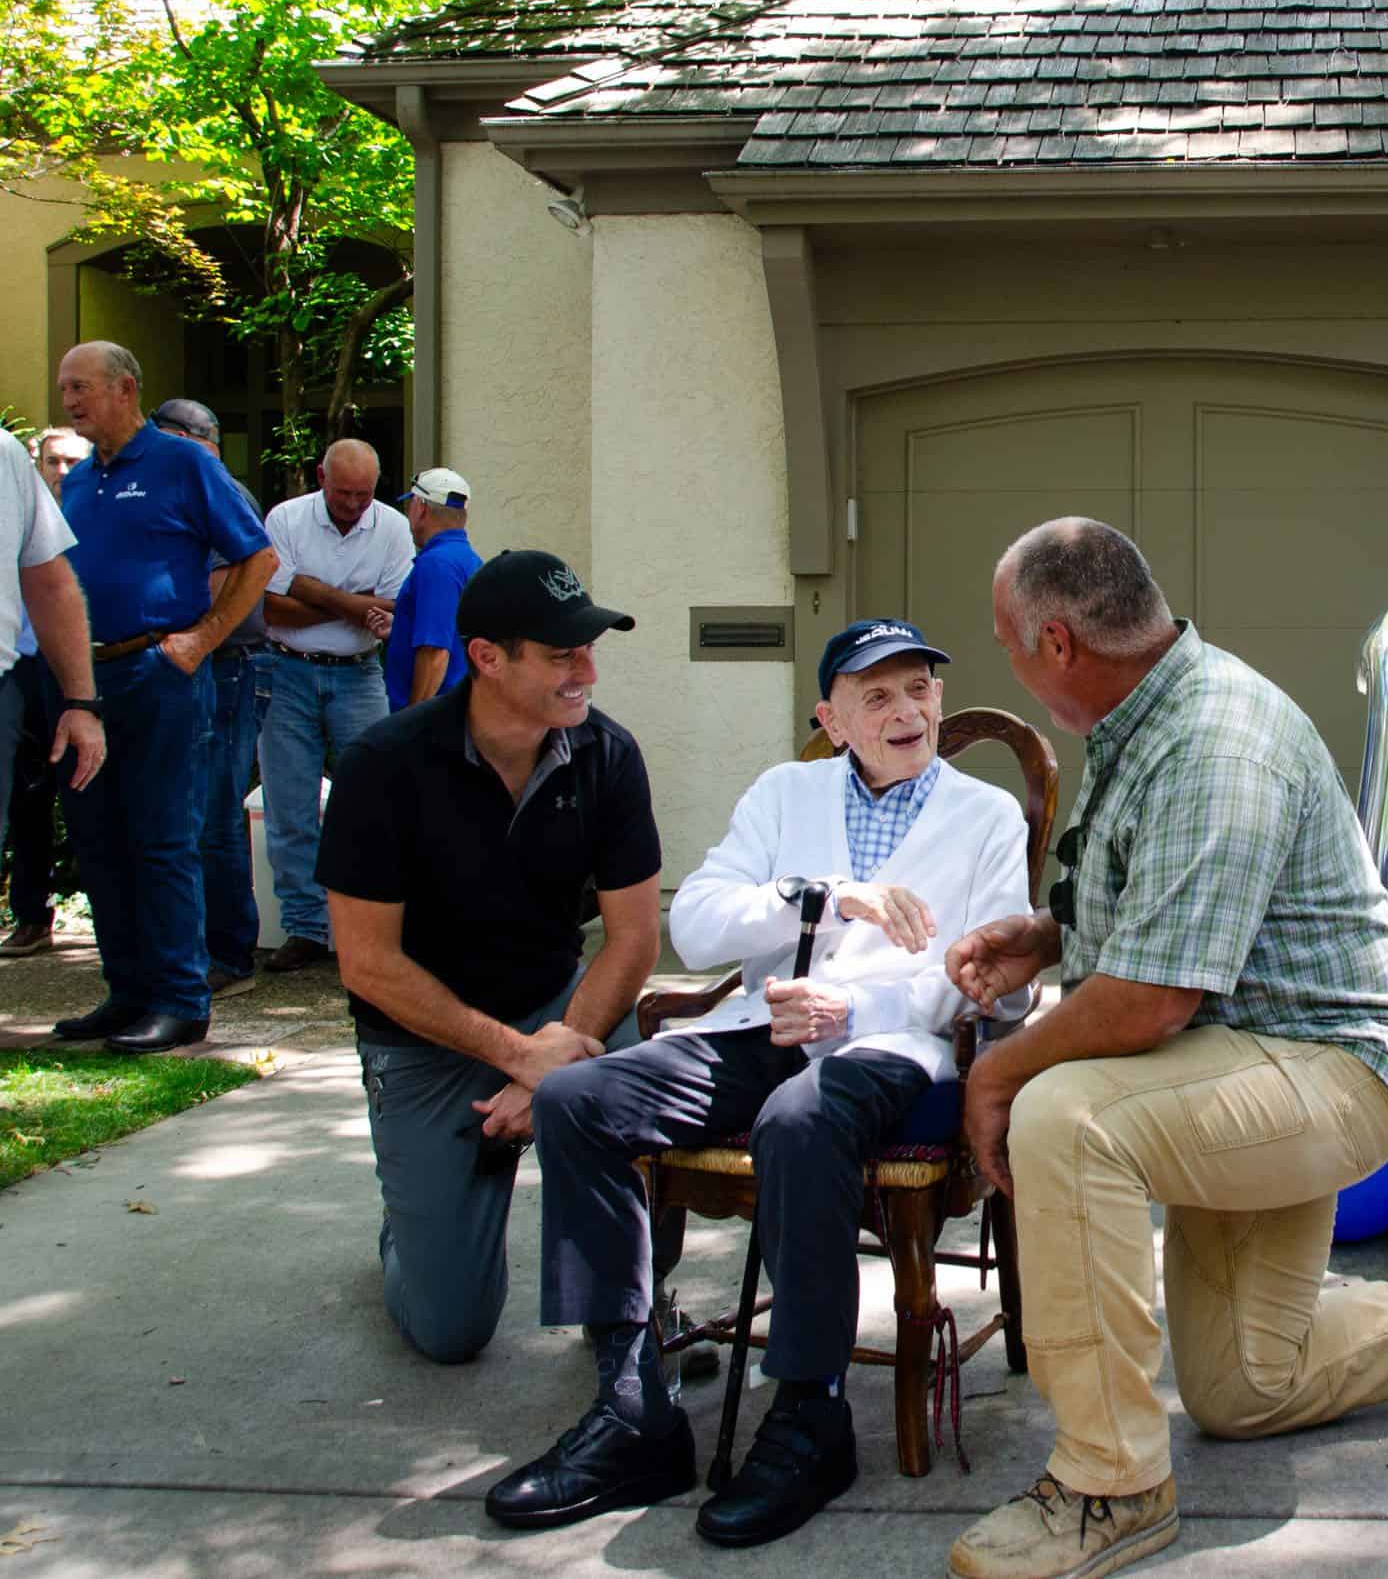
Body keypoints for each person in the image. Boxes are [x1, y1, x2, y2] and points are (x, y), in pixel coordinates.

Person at [939, 519, 1388, 1579]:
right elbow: (1167, 918)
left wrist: (997, 1071)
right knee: (1245, 1390)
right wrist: (1047, 935)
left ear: (1060, 643)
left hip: (1329, 1067)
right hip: (1242, 1059)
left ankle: (1107, 1483)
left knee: (1062, 1118)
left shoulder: (1215, 740)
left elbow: (1152, 1000)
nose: (1012, 668)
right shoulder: (1147, 717)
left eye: (1010, 646)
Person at [488, 617, 1036, 1546]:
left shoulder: (986, 816)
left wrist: (848, 1009)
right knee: (575, 1099)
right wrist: (818, 896)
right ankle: (632, 1406)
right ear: (832, 719)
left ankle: (812, 1412)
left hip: (893, 1046)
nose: (906, 711)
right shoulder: (786, 792)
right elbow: (697, 925)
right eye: (877, 696)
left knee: (798, 1118)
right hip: (760, 1029)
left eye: (919, 689)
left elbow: (985, 976)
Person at [316, 550, 660, 1366]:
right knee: (450, 1331)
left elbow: (634, 938)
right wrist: (518, 1057)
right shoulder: (383, 766)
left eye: (589, 650)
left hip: (558, 1011)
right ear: (487, 658)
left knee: (648, 1102)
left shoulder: (608, 755)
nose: (588, 673)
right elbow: (367, 964)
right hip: (424, 1039)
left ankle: (619, 1293)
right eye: (562, 655)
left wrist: (555, 1062)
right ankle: (411, 1228)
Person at [54, 342, 274, 1054]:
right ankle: (128, 993)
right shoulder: (79, 479)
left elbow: (259, 556)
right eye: (64, 389)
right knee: (100, 841)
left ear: (125, 389)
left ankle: (181, 999)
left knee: (163, 838)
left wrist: (200, 641)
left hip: (159, 676)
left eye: (81, 387)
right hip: (87, 684)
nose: (69, 401)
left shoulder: (183, 463)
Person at [260, 438, 415, 974]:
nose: (352, 504)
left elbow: (394, 605)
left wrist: (309, 590)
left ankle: (372, 927)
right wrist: (354, 603)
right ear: (321, 477)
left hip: (359, 673)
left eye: (363, 495)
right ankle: (305, 926)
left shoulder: (392, 527)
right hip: (287, 670)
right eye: (343, 493)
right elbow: (269, 607)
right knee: (289, 806)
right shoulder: (286, 519)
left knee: (374, 803)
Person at [149, 400, 271, 999]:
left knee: (216, 818)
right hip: (203, 668)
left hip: (226, 669)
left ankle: (227, 955)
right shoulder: (188, 486)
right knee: (190, 815)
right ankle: (195, 950)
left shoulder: (215, 489)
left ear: (184, 438)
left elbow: (225, 585)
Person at [0, 427, 91, 958]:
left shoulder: (94, 517)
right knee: (26, 796)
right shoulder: (18, 507)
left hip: (73, 671)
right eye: (53, 461)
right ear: (38, 464)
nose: (62, 472)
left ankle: (107, 917)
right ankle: (32, 915)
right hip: (19, 668)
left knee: (86, 792)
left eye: (72, 462)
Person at [376, 467, 480, 711]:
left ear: (420, 508)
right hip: (459, 708)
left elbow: (435, 653)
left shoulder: (436, 564)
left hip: (438, 715)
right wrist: (402, 627)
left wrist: (413, 722)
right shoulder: (468, 559)